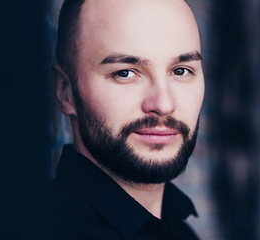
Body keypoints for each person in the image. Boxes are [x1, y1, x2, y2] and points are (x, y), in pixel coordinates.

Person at [49, 0, 204, 239]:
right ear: (64, 91)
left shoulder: (181, 231)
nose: (164, 105)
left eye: (180, 70)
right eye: (125, 73)